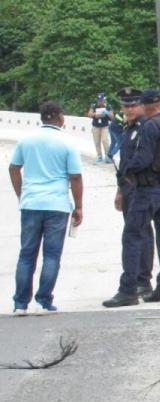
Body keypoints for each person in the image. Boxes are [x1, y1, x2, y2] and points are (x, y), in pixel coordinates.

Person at [103, 88, 160, 307]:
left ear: (143, 105)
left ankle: (128, 290)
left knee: (132, 235)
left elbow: (142, 158)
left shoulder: (149, 126)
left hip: (148, 190)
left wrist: (126, 173)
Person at [8, 101, 83, 315]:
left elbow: (14, 168)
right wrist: (79, 207)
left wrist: (22, 195)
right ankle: (43, 300)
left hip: (31, 204)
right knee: (51, 255)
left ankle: (20, 304)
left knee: (26, 254)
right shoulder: (67, 142)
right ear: (60, 117)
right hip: (57, 205)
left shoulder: (26, 140)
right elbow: (75, 177)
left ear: (42, 118)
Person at [113, 87, 155, 299]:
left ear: (142, 106)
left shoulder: (146, 127)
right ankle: (137, 279)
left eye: (133, 105)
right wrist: (120, 191)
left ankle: (143, 281)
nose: (128, 109)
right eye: (125, 105)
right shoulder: (127, 129)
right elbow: (124, 163)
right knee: (133, 233)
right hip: (128, 189)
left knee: (141, 235)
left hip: (141, 189)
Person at [87, 93, 112, 164]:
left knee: (105, 140)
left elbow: (112, 117)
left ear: (104, 100)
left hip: (105, 126)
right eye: (99, 100)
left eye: (101, 100)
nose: (100, 102)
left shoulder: (108, 106)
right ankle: (99, 156)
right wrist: (95, 114)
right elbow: (89, 114)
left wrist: (107, 113)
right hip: (96, 126)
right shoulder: (94, 106)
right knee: (97, 142)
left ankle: (107, 156)